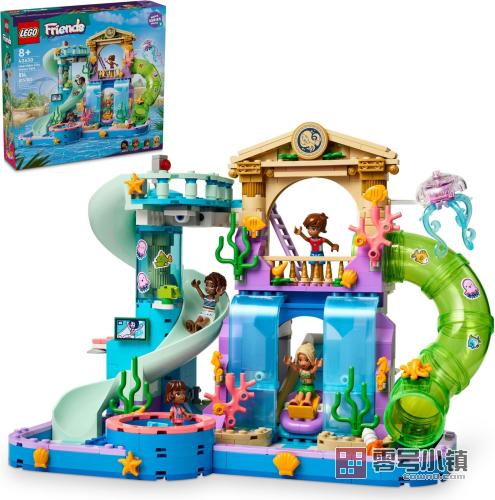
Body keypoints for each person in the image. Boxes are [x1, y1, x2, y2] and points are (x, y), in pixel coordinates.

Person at [294, 212, 339, 280]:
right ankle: (312, 278)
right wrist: (300, 234)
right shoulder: (311, 239)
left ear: (320, 229)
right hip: (312, 254)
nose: (310, 231)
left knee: (320, 267)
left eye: (313, 229)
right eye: (308, 228)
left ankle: (321, 278)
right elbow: (306, 238)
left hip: (320, 254)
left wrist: (332, 245)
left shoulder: (321, 239)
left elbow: (328, 242)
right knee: (312, 266)